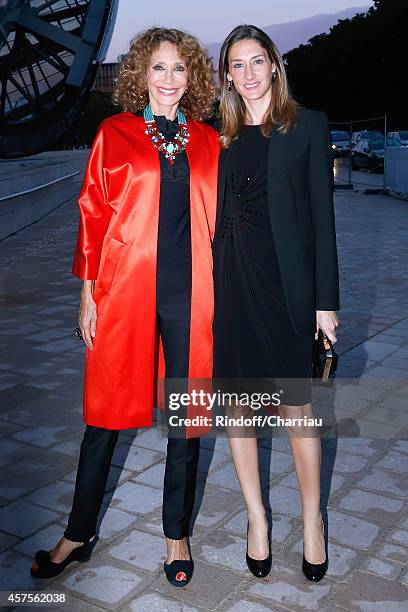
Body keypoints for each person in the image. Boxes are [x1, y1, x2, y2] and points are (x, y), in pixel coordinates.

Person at [30, 27, 219, 588]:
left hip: (191, 294)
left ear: (193, 79)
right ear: (141, 74)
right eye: (158, 68)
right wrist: (86, 292)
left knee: (186, 419)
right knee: (104, 416)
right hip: (125, 289)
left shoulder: (209, 140)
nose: (168, 79)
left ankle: (176, 533)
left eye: (179, 69)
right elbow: (92, 212)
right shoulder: (114, 134)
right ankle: (78, 532)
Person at [212, 24, 340, 581]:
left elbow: (323, 225)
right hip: (233, 290)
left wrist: (325, 305)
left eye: (256, 61)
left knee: (296, 413)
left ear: (274, 64)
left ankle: (312, 522)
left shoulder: (307, 126)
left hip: (286, 293)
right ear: (227, 76)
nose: (248, 74)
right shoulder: (218, 136)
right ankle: (257, 520)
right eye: (237, 65)